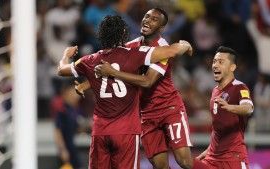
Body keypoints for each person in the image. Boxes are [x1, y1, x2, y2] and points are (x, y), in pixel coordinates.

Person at [57, 15, 192, 169]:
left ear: (99, 34)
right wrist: (185, 45)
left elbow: (62, 70)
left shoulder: (89, 60)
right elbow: (171, 51)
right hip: (126, 130)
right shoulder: (134, 54)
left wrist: (66, 55)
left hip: (100, 131)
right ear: (123, 32)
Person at [193, 46, 254, 169]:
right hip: (212, 159)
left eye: (221, 62)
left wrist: (229, 107)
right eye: (214, 61)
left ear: (232, 67)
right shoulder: (215, 91)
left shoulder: (240, 87)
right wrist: (207, 152)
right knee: (187, 162)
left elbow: (248, 109)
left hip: (233, 158)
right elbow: (218, 131)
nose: (215, 65)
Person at [51, 81, 84, 169]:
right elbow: (57, 131)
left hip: (73, 148)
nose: (76, 95)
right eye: (73, 91)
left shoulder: (76, 110)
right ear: (66, 93)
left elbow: (77, 128)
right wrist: (63, 149)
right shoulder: (62, 110)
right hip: (66, 150)